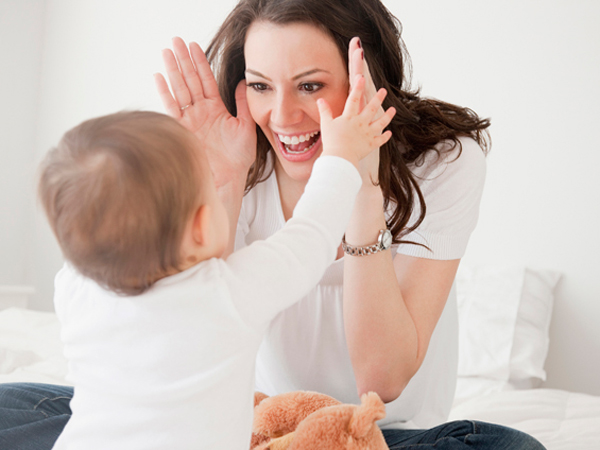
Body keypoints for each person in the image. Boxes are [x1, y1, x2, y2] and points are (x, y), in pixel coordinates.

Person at [0, 1, 546, 449]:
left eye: (310, 86)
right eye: (259, 86)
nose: (281, 117)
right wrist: (225, 175)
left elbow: (381, 382)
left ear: (366, 80)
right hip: (249, 424)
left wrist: (360, 180)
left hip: (386, 433)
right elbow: (193, 311)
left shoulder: (446, 161)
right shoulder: (232, 154)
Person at [6, 77, 393, 449]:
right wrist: (341, 154)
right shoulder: (228, 295)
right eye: (208, 184)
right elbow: (311, 236)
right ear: (203, 226)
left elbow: (88, 224)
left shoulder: (74, 289)